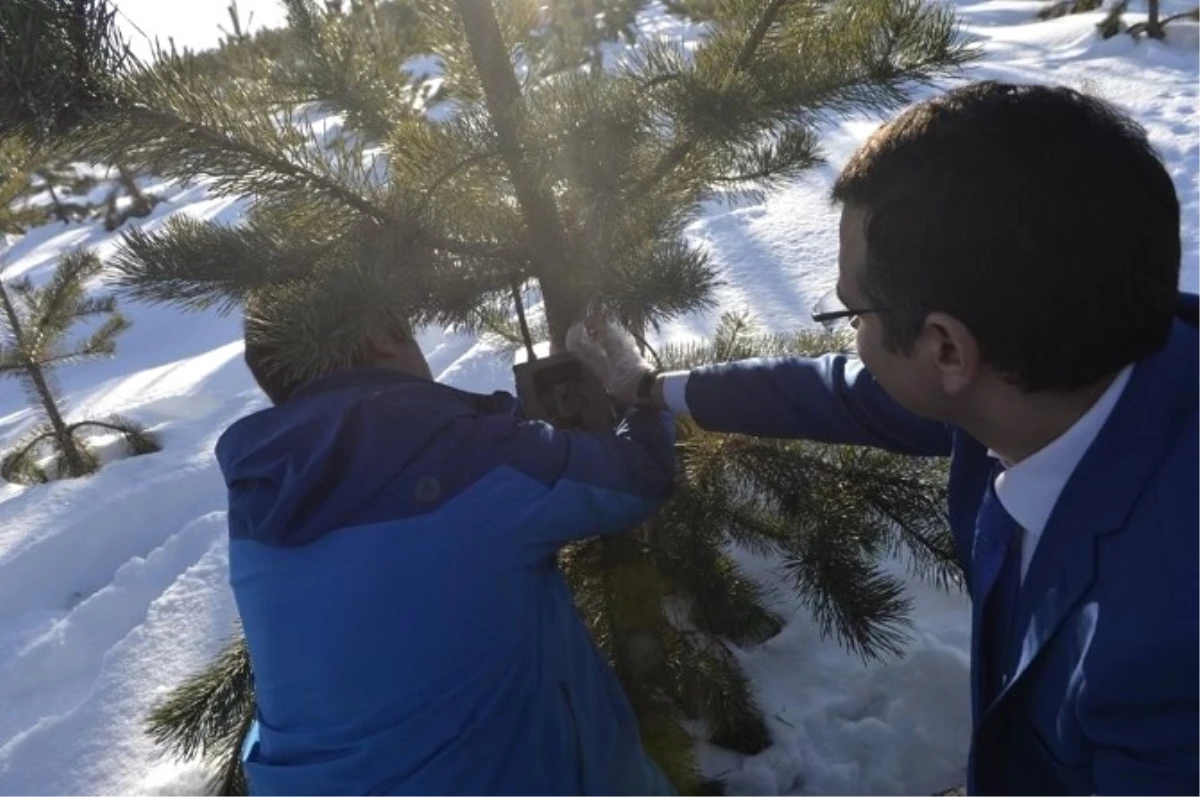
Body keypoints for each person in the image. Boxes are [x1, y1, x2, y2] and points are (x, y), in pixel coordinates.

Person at [568, 81, 1200, 797]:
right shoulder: (1062, 363)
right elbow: (833, 391)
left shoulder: (1166, 644)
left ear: (947, 350)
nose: (855, 339)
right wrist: (654, 388)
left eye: (854, 315)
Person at [216, 308, 677, 796]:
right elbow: (643, 473)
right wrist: (637, 390)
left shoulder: (259, 502)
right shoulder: (471, 456)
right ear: (378, 332)